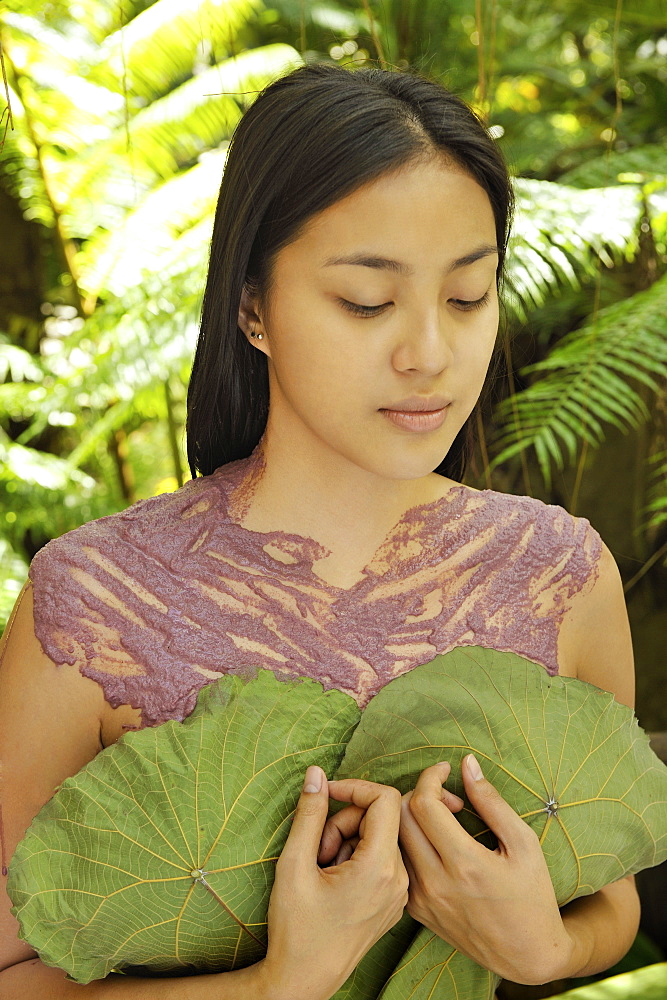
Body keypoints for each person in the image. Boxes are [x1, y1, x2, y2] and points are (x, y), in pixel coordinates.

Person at [0, 62, 639, 999]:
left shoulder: (559, 575)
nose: (429, 354)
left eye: (467, 297)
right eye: (366, 302)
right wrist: (274, 986)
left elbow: (609, 898)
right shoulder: (93, 603)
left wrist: (546, 953)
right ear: (252, 306)